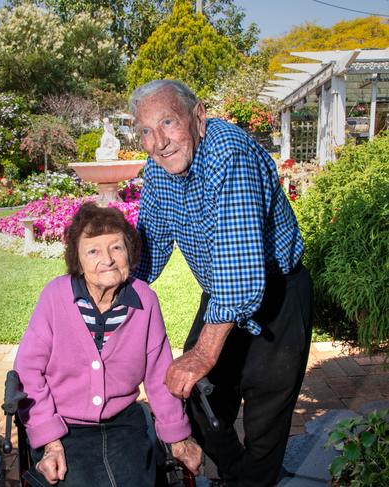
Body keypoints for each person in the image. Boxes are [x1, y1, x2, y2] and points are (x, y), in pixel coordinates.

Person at [129, 79, 313, 487]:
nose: (158, 142)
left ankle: (252, 479)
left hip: (277, 293)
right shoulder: (159, 169)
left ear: (197, 117)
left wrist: (202, 353)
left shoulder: (229, 154)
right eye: (145, 130)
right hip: (223, 292)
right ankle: (236, 476)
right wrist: (109, 293)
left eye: (167, 122)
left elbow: (242, 274)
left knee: (265, 414)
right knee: (200, 397)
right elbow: (149, 248)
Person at [14, 202, 201, 486]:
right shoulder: (55, 296)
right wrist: (49, 440)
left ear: (130, 253)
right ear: (77, 260)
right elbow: (28, 371)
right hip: (62, 424)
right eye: (93, 251)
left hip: (124, 424)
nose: (108, 259)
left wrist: (177, 438)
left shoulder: (145, 300)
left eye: (116, 247)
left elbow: (159, 373)